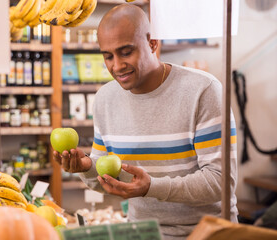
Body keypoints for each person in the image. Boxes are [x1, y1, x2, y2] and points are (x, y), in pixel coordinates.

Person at [53, 4, 238, 240]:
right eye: (108, 56)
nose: (117, 66)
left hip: (207, 233)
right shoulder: (104, 99)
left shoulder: (203, 90)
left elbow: (220, 182)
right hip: (143, 233)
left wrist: (152, 187)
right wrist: (87, 168)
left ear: (152, 43)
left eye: (126, 52)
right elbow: (109, 176)